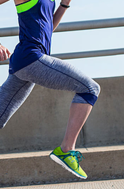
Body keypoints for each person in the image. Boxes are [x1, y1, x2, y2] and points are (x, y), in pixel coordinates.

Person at [0, 0, 100, 179]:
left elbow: (47, 30)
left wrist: (64, 5)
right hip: (30, 59)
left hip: (25, 62)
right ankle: (66, 150)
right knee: (90, 88)